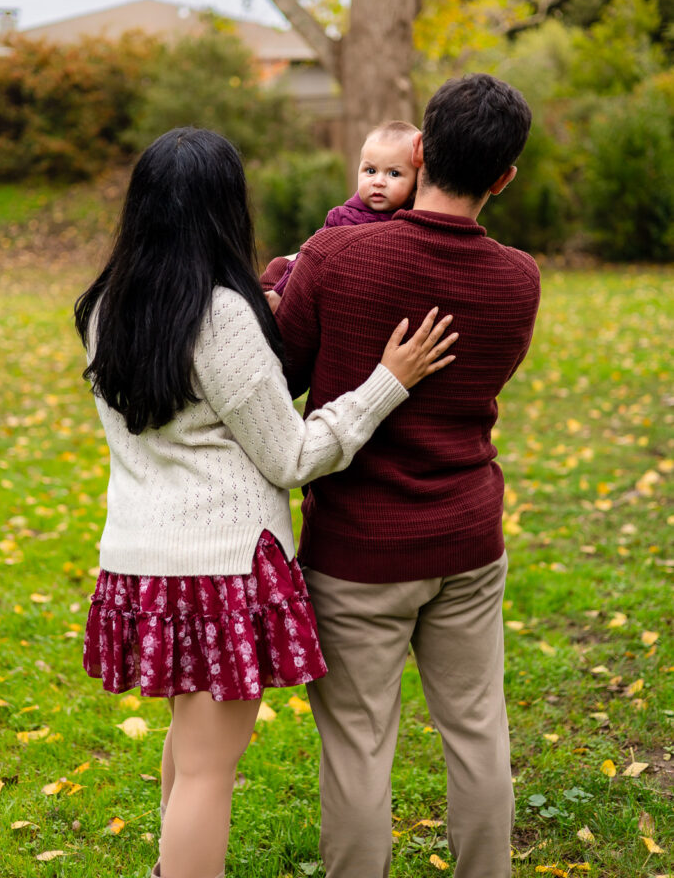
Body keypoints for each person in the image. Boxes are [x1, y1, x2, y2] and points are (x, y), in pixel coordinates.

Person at [74, 127, 458, 878]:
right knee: (211, 769)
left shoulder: (103, 306)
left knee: (191, 746)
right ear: (225, 209)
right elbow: (292, 456)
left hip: (138, 562)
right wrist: (387, 381)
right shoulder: (220, 318)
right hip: (220, 567)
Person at [269, 74, 541, 878]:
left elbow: (277, 375)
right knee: (476, 725)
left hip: (357, 548)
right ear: (503, 177)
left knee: (357, 742)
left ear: (419, 153)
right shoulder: (518, 278)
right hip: (465, 538)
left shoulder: (337, 254)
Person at [266, 119, 419, 299]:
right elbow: (307, 259)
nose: (378, 182)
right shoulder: (341, 218)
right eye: (370, 170)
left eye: (394, 173)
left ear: (416, 182)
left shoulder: (413, 220)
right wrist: (281, 291)